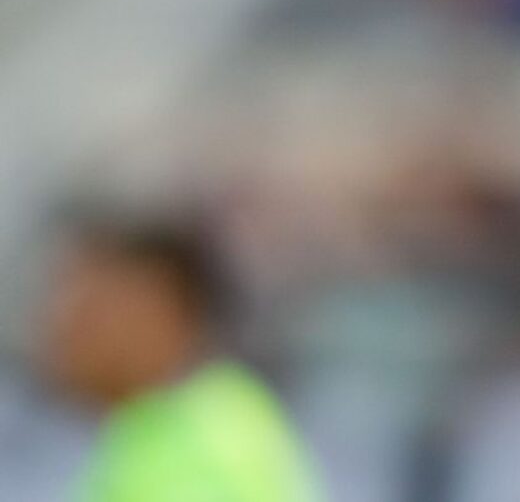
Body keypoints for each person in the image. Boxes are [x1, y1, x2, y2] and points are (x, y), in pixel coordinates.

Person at [42, 214, 324, 502]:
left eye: (90, 308)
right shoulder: (154, 429)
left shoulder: (207, 440)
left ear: (160, 309)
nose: (63, 327)